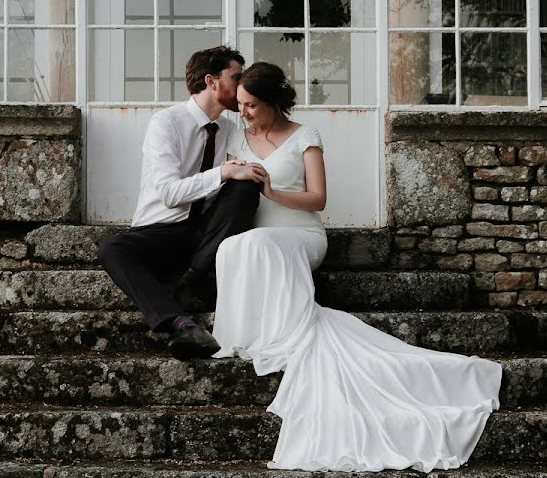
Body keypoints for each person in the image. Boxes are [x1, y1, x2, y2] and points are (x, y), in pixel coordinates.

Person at [213, 61, 503, 472]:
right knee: (234, 246)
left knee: (258, 241)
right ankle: (249, 333)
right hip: (260, 239)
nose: (243, 112)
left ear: (275, 102)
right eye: (240, 104)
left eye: (252, 105)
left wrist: (274, 191)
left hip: (302, 235)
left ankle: (283, 332)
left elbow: (318, 199)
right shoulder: (236, 136)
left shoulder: (304, 136)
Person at [98, 45, 266, 360]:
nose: (242, 86)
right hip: (162, 230)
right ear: (211, 81)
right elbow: (169, 193)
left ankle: (191, 278)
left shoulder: (232, 129)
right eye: (236, 77)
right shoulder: (166, 123)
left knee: (245, 188)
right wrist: (223, 172)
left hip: (206, 234)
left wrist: (245, 172)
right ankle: (180, 322)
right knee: (111, 248)